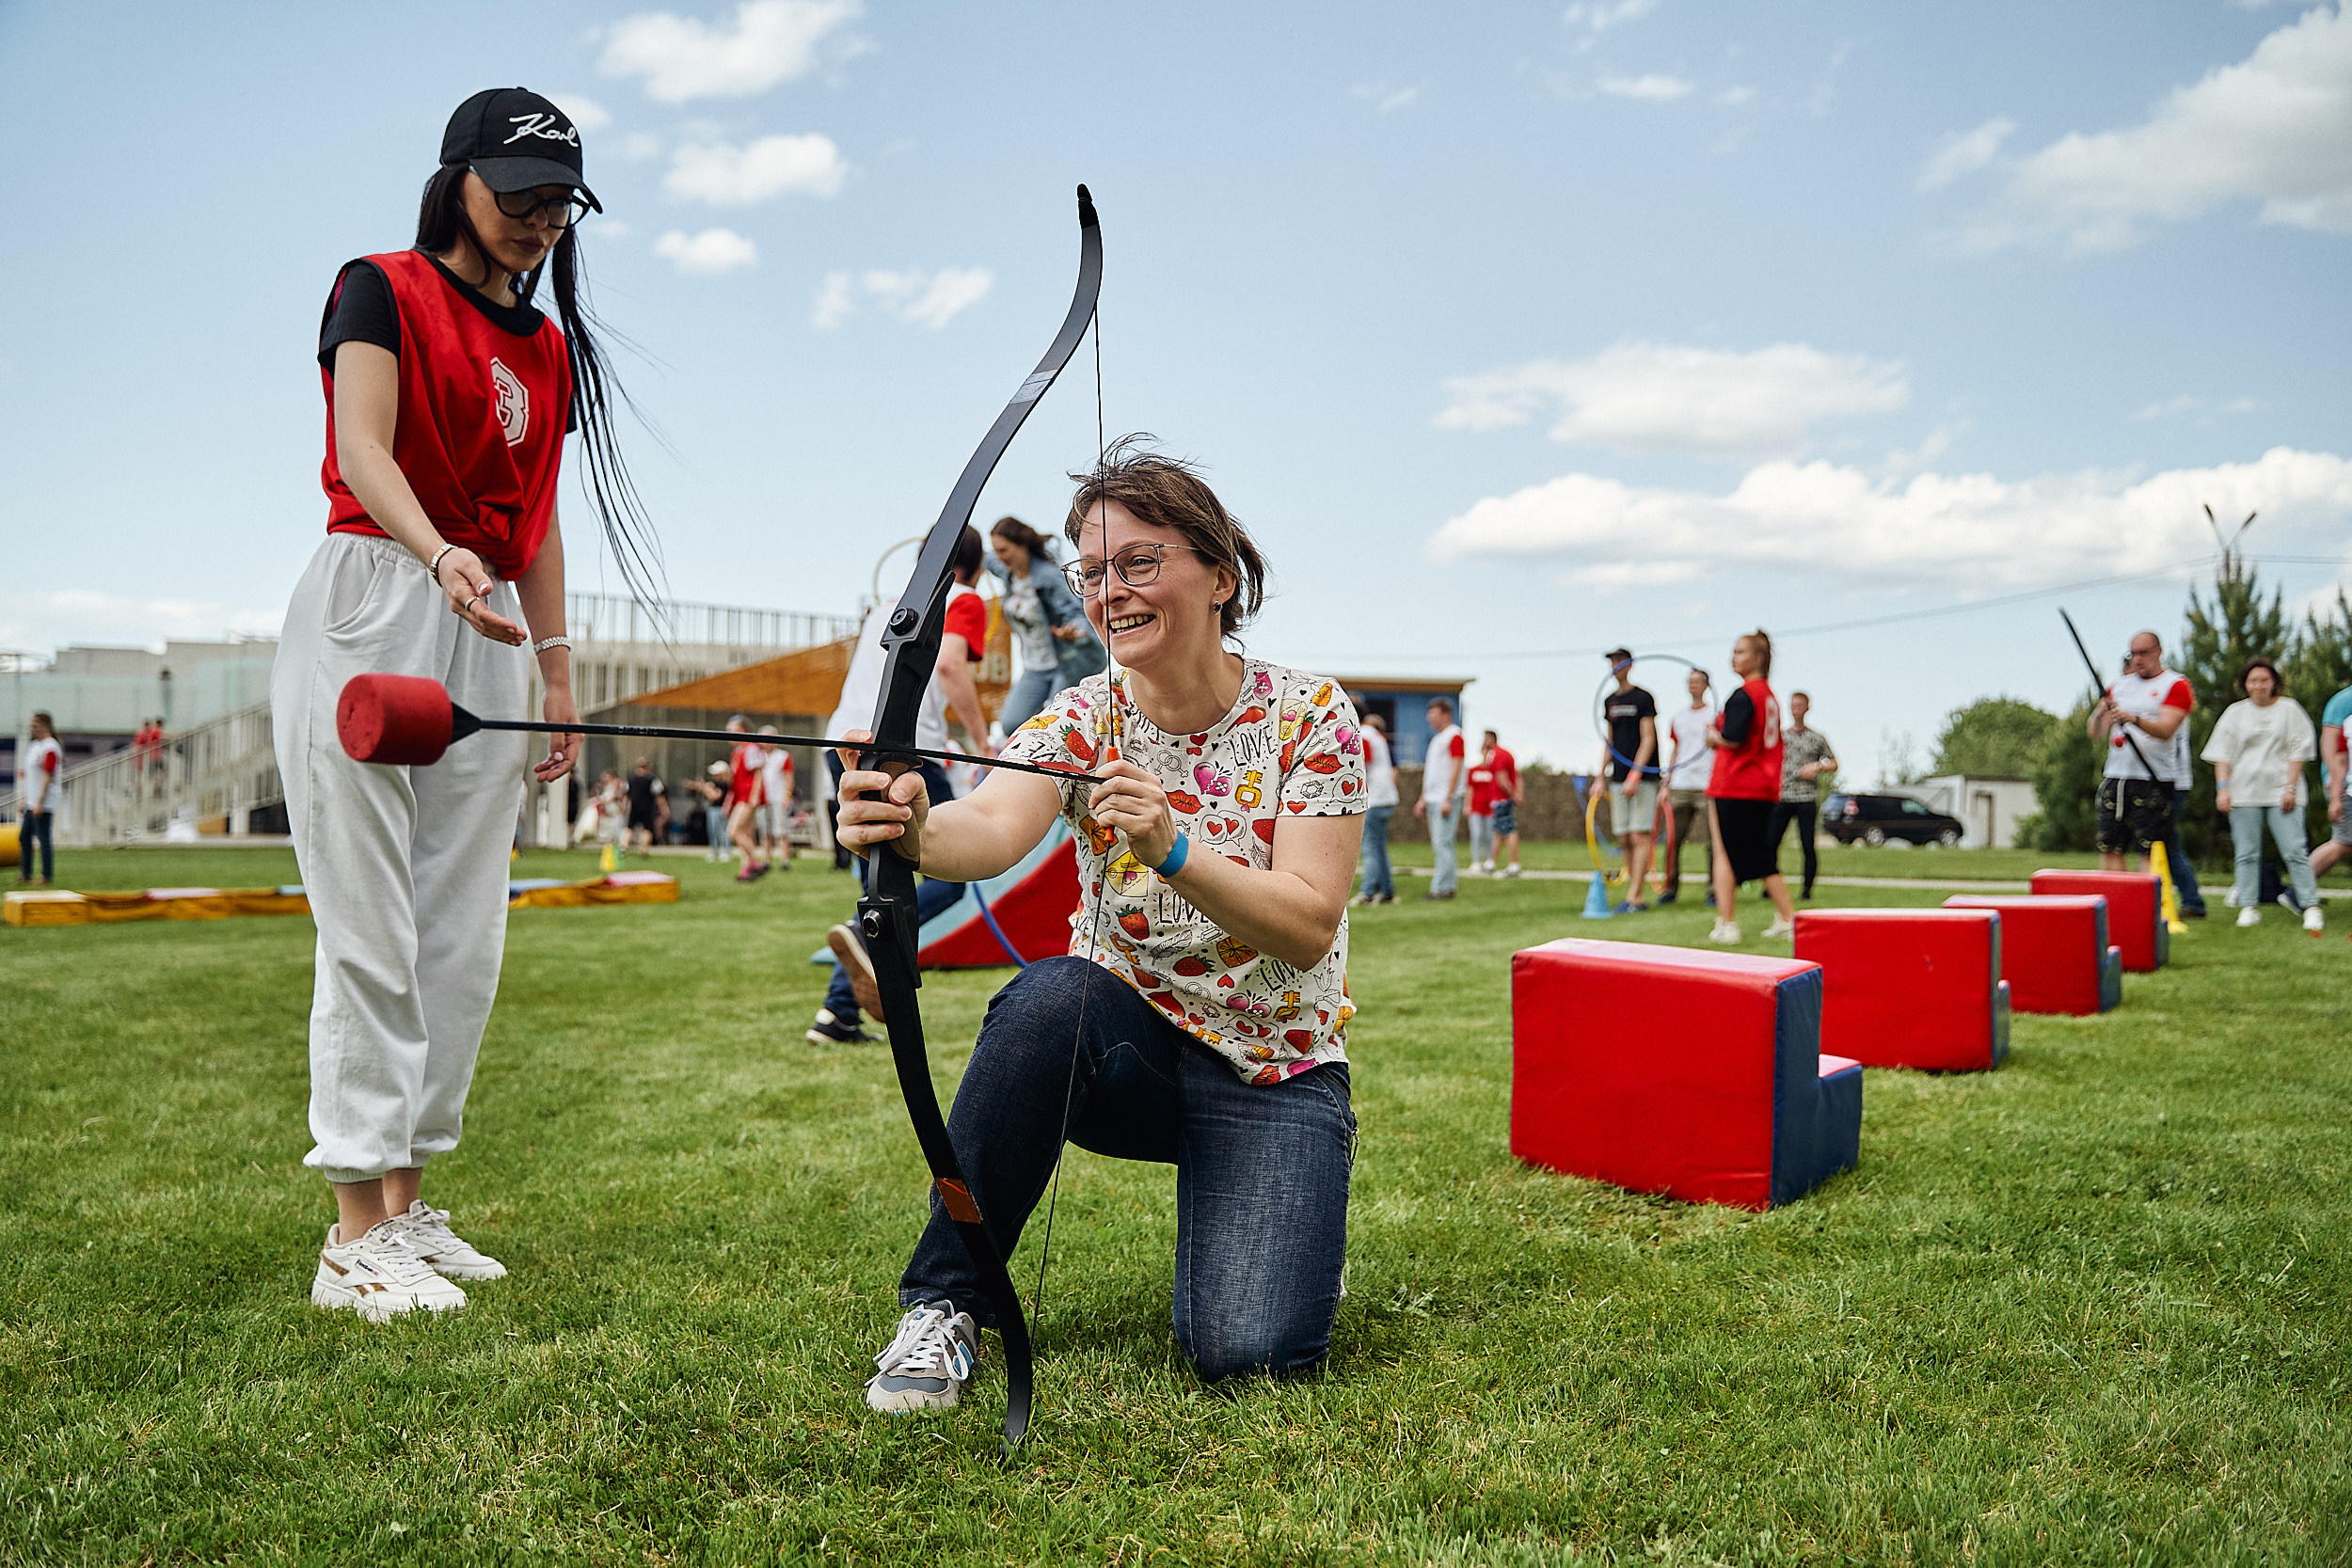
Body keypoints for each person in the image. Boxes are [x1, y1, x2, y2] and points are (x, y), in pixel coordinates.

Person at [837, 442, 1363, 1414]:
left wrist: (1173, 846)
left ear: (1220, 574)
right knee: (1048, 999)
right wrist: (908, 826)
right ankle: (946, 1301)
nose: (1108, 590)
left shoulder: (1311, 713)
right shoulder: (1083, 716)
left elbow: (1305, 923)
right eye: (1092, 570)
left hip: (1273, 1066)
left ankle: (1293, 1210)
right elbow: (990, 825)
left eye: (1139, 562)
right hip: (1126, 1054)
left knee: (1247, 1352)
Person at [274, 88, 647, 1323]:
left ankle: (408, 1208)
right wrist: (439, 555)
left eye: (558, 202)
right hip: (379, 597)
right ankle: (349, 1237)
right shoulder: (374, 285)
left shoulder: (545, 347)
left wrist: (556, 673)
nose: (541, 220)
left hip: (489, 622)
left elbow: (540, 521)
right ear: (457, 182)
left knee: (459, 940)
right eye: (519, 193)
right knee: (369, 924)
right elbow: (362, 446)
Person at [809, 524, 993, 1045]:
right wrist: (982, 741)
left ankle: (837, 1014)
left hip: (843, 743)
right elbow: (954, 668)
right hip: (899, 749)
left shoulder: (890, 604)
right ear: (974, 567)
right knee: (950, 874)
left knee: (887, 879)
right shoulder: (963, 596)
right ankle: (864, 950)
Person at [2201, 657, 2321, 932]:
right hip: (2244, 793)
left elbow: (2298, 751)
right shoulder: (2235, 713)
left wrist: (2290, 787)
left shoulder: (2290, 710)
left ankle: (2310, 906)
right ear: (2245, 684)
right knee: (2246, 853)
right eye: (2253, 681)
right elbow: (2222, 754)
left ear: (2274, 683)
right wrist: (2223, 790)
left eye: (2264, 680)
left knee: (2294, 851)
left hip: (2282, 792)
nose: (2258, 686)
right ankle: (2248, 907)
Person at [2090, 630, 2202, 917]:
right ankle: (2115, 908)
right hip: (2117, 775)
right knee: (2110, 843)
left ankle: (2147, 911)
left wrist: (2133, 719)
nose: (2137, 660)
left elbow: (2166, 730)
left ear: (2158, 651)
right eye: (2133, 654)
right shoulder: (2120, 686)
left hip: (2154, 778)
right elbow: (2096, 732)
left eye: (2143, 653)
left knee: (2149, 848)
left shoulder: (2175, 685)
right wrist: (2100, 711)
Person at [1704, 630, 1796, 942]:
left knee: (1726, 853)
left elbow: (1732, 737)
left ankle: (1727, 923)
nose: (1734, 657)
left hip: (1735, 784)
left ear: (1757, 658)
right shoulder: (1769, 696)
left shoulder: (1745, 694)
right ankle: (1786, 917)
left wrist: (1712, 736)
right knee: (1761, 854)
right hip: (1763, 785)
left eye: (1740, 652)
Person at [984, 515, 1105, 734]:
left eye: (1003, 551)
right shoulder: (1007, 572)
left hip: (1063, 662)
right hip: (1034, 668)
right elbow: (985, 559)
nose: (999, 557)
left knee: (1054, 723)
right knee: (1010, 723)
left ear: (1022, 547)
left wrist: (1075, 631)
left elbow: (1075, 611)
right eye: (996, 551)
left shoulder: (1048, 578)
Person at [1603, 649, 1661, 912]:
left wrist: (1635, 774)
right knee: (1624, 837)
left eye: (1620, 661)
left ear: (1630, 665)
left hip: (1643, 777)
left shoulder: (1643, 698)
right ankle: (1632, 892)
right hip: (1617, 777)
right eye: (1612, 662)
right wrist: (1599, 775)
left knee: (1639, 835)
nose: (1616, 666)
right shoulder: (1610, 701)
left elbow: (1648, 738)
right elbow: (1609, 741)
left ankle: (1636, 896)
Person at [1770, 691, 1838, 899]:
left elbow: (1834, 763)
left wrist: (1817, 766)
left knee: (1807, 844)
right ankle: (1770, 886)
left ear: (1807, 708)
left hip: (1806, 798)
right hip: (1783, 796)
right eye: (1793, 705)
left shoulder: (1816, 738)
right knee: (1771, 843)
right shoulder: (1781, 737)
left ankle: (1807, 890)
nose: (1796, 709)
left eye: (1800, 705)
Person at [1661, 668, 1713, 906]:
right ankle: (1669, 890)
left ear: (1706, 686)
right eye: (1689, 681)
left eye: (1697, 681)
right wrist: (1667, 782)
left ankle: (1714, 890)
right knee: (1673, 841)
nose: (1692, 685)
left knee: (1713, 842)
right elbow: (1675, 749)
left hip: (1706, 785)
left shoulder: (1716, 714)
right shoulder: (1678, 717)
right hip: (1680, 784)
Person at [1413, 698, 1468, 899]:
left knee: (1443, 843)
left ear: (1445, 714)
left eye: (1433, 713)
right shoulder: (1438, 738)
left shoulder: (1455, 736)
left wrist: (1449, 797)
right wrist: (1423, 798)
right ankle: (1445, 885)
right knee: (1440, 843)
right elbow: (1432, 773)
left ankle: (1442, 888)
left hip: (1445, 798)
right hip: (1434, 797)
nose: (1429, 717)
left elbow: (1456, 766)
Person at [2310, 679, 2352, 903]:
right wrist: (2337, 786)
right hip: (2344, 784)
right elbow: (2329, 746)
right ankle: (2299, 891)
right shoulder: (2343, 701)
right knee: (2343, 842)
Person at [1353, 712, 1397, 905]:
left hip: (1375, 798)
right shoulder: (1378, 736)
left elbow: (1362, 765)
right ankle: (1387, 891)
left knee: (1370, 847)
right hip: (1387, 797)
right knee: (1379, 847)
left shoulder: (1364, 735)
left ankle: (1368, 892)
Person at [1468, 729, 1522, 878]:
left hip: (1501, 799)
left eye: (1485, 739)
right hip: (1501, 799)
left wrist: (1512, 794)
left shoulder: (1498, 755)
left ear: (1491, 739)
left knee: (1509, 830)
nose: (1483, 742)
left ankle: (1514, 865)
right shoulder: (1505, 754)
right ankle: (1490, 863)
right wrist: (1517, 792)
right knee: (1498, 831)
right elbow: (1517, 774)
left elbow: (1502, 778)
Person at [16, 711, 59, 886]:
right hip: (31, 801)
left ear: (45, 725)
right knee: (24, 837)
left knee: (43, 839)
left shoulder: (50, 747)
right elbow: (31, 777)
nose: (32, 728)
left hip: (43, 802)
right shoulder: (34, 746)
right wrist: (25, 799)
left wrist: (40, 801)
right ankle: (26, 873)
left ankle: (46, 875)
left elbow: (48, 775)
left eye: (35, 725)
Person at [759, 724, 796, 866]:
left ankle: (784, 860)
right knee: (765, 831)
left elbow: (788, 777)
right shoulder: (758, 757)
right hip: (763, 800)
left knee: (781, 831)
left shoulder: (783, 756)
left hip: (779, 798)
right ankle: (767, 860)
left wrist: (787, 796)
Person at [624, 755, 667, 852]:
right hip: (647, 807)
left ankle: (624, 847)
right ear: (647, 767)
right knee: (647, 829)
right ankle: (643, 849)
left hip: (634, 807)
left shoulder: (630, 779)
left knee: (629, 827)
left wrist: (624, 807)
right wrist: (663, 808)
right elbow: (659, 795)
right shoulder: (652, 780)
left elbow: (626, 794)